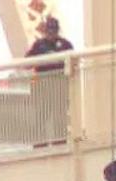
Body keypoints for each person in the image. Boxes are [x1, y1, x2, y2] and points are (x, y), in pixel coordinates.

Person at [25, 17, 74, 145]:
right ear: (45, 31)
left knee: (60, 116)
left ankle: (60, 143)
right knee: (41, 115)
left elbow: (74, 63)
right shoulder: (38, 45)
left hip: (59, 87)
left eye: (53, 30)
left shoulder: (66, 45)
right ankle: (40, 144)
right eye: (49, 30)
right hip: (42, 87)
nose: (51, 33)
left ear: (57, 30)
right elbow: (26, 64)